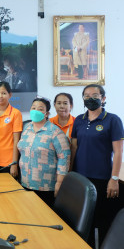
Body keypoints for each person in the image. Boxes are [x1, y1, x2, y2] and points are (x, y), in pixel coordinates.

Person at [71, 84, 123, 245]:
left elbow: (118, 152)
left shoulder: (113, 120)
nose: (90, 98)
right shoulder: (79, 120)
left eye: (94, 95)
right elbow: (74, 148)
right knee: (82, 221)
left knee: (102, 222)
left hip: (102, 179)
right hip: (81, 179)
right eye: (86, 95)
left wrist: (114, 178)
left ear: (103, 98)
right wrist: (69, 173)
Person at [18, 97, 70, 207]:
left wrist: (59, 183)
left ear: (47, 113)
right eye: (33, 108)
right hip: (25, 182)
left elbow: (64, 157)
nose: (36, 111)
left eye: (40, 109)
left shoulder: (55, 132)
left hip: (45, 186)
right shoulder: (26, 128)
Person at [0, 82, 22, 177]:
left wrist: (14, 163)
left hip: (8, 162)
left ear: (10, 95)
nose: (0, 96)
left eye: (4, 93)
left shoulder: (16, 113)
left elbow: (17, 140)